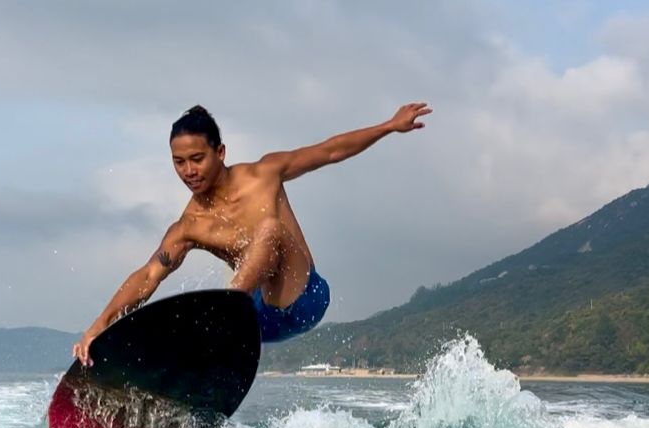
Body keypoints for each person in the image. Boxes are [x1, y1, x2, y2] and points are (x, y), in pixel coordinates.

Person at [73, 102, 433, 366]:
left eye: (197, 158)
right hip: (256, 318)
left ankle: (220, 321)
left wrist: (388, 126)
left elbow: (330, 151)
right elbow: (150, 274)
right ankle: (164, 376)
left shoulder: (265, 173)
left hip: (305, 296)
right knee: (181, 316)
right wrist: (99, 325)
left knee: (270, 228)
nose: (188, 171)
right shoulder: (189, 226)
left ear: (220, 152)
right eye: (178, 162)